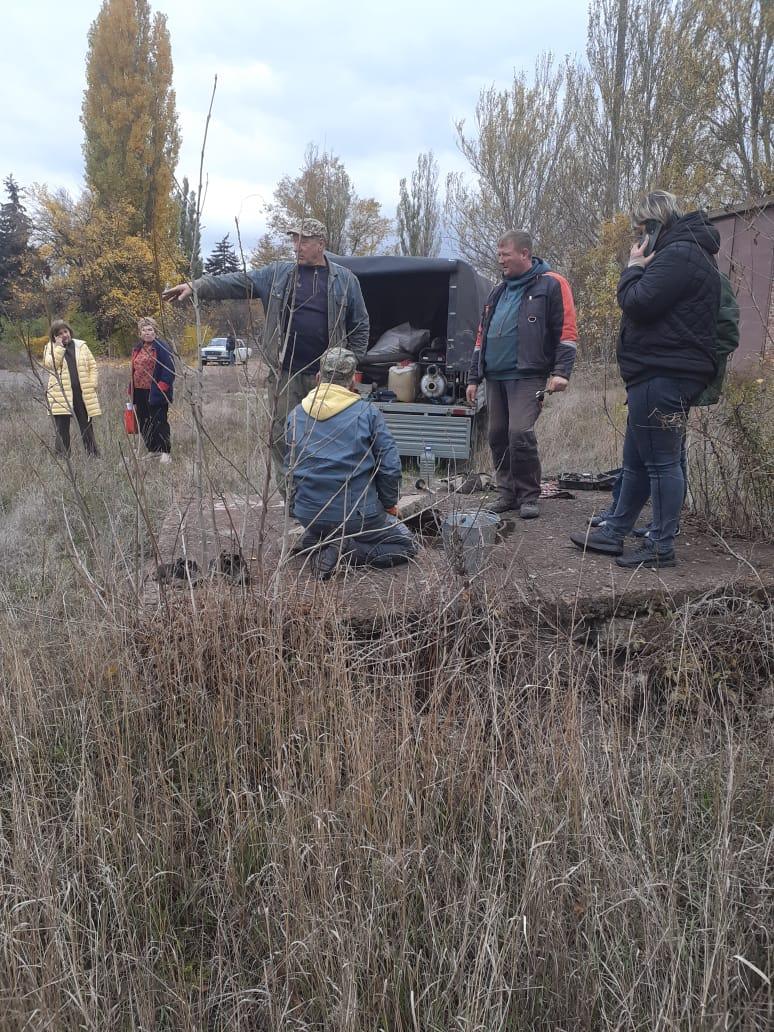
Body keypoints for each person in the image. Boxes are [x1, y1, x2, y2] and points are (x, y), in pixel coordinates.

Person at [570, 190, 720, 569]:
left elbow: (637, 302)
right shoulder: (686, 253)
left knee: (662, 464)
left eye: (641, 230)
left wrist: (633, 266)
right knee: (637, 461)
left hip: (664, 372)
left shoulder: (679, 254)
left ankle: (660, 546)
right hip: (657, 372)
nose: (638, 240)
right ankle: (615, 530)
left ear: (655, 225)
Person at [163, 218, 369, 494]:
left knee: (329, 438)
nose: (297, 246)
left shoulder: (345, 280)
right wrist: (197, 285)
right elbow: (237, 282)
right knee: (282, 437)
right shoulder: (278, 274)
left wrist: (347, 364)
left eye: (304, 241)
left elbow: (361, 325)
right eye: (294, 240)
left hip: (327, 379)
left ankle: (328, 499)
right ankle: (292, 500)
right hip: (285, 375)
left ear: (321, 244)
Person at [466, 230, 578, 519]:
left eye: (506, 254)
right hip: (495, 377)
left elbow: (566, 331)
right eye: (499, 254)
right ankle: (506, 492)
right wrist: (474, 378)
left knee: (519, 433)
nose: (500, 259)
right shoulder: (498, 291)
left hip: (527, 375)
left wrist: (561, 372)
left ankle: (529, 494)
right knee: (496, 435)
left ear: (525, 254)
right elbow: (482, 337)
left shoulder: (552, 284)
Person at [285, 347, 416, 580]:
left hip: (309, 515)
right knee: (405, 544)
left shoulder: (296, 414)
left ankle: (320, 540)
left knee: (323, 526)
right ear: (353, 381)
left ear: (318, 378)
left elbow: (288, 470)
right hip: (358, 516)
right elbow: (390, 467)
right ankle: (348, 551)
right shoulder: (368, 413)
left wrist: (298, 509)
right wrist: (388, 503)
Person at [43, 320, 101, 457]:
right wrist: (58, 348)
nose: (64, 335)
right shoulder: (49, 348)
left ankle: (93, 455)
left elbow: (93, 366)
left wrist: (92, 384)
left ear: (70, 332)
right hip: (60, 395)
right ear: (54, 336)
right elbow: (51, 365)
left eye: (65, 332)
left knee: (86, 426)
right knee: (62, 428)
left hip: (82, 394)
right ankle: (63, 457)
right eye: (59, 333)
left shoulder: (81, 346)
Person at [130, 316, 175, 463]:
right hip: (140, 391)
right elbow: (134, 369)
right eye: (144, 330)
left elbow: (169, 369)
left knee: (159, 421)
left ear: (155, 331)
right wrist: (131, 388)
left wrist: (163, 386)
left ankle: (165, 452)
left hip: (156, 392)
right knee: (144, 422)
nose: (147, 332)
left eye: (150, 329)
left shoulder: (161, 347)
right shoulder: (138, 348)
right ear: (140, 333)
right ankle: (153, 450)